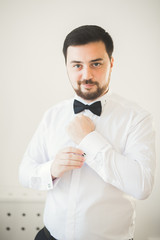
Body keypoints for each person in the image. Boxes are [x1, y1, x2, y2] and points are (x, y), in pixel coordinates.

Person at [19, 25, 156, 240]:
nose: (86, 74)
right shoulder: (52, 115)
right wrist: (51, 170)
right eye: (77, 65)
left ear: (111, 63)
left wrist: (89, 140)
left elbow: (142, 187)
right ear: (66, 66)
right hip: (49, 236)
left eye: (96, 64)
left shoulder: (137, 118)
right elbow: (25, 172)